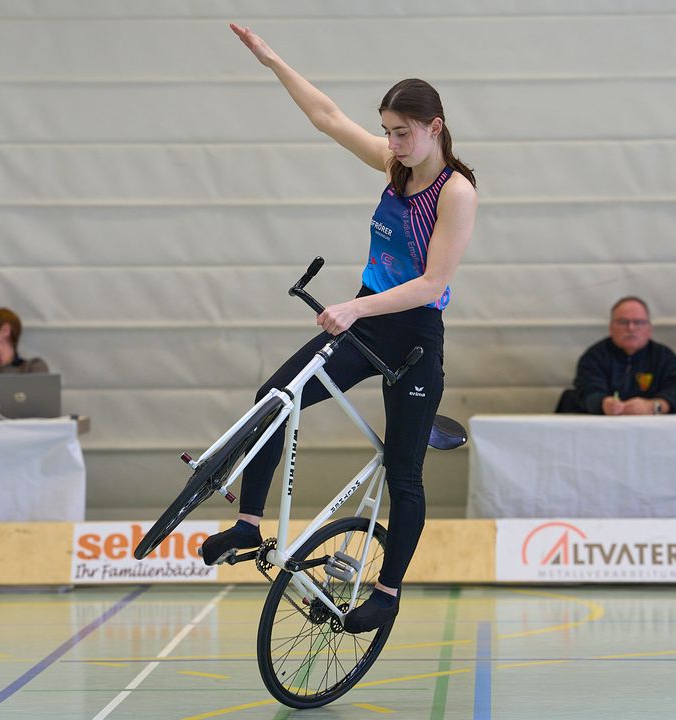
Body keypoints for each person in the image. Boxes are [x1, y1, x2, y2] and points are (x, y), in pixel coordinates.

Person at [199, 24, 477, 634]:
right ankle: (248, 525)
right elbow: (326, 116)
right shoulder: (393, 165)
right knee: (274, 399)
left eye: (404, 132)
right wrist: (274, 61)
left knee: (404, 474)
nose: (393, 143)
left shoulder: (455, 192)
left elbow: (433, 285)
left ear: (435, 126)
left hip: (411, 339)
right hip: (366, 322)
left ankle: (387, 591)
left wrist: (355, 310)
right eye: (387, 132)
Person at [570, 296, 676, 415]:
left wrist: (653, 406)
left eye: (638, 322)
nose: (631, 328)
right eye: (623, 322)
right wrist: (603, 404)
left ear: (649, 328)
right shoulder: (594, 356)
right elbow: (586, 391)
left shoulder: (664, 357)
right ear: (611, 327)